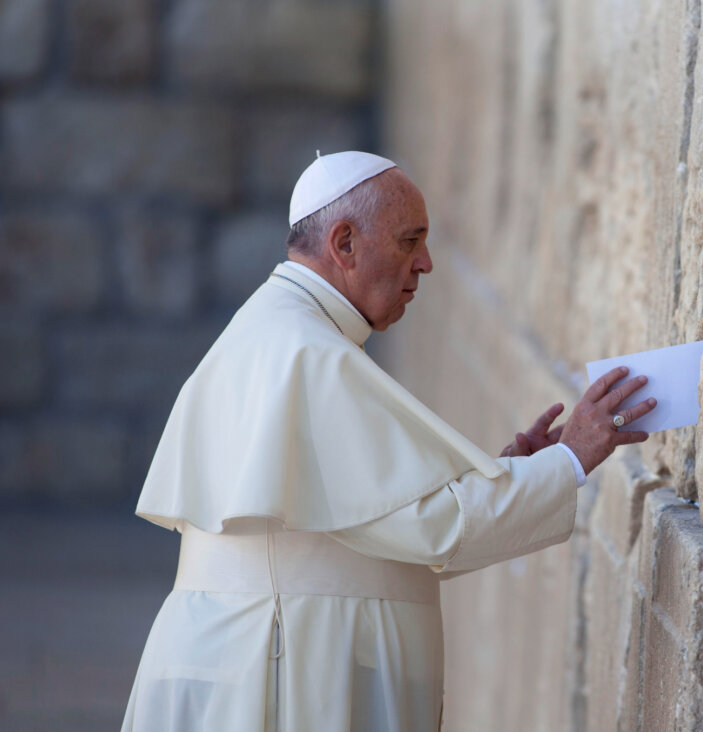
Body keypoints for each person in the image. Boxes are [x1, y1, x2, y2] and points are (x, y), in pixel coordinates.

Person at [121, 151, 655, 730]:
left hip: (256, 653)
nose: (425, 264)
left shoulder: (283, 331)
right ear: (345, 243)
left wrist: (510, 472)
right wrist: (572, 457)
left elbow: (384, 521)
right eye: (410, 241)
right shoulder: (305, 353)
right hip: (277, 670)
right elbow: (432, 525)